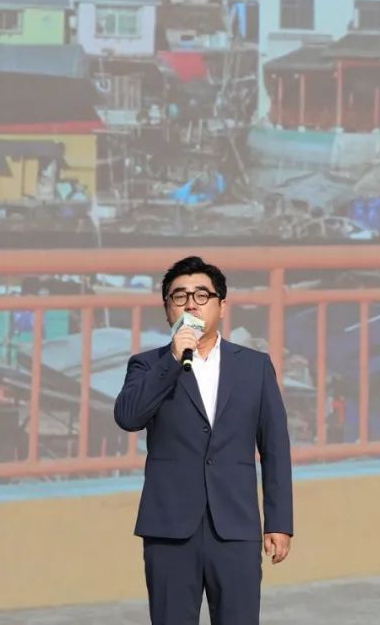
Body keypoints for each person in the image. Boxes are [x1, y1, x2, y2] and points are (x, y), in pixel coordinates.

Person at [115, 256, 293, 625]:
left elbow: (275, 448)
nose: (191, 304)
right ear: (167, 309)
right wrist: (172, 359)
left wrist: (278, 521)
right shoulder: (148, 365)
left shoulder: (255, 366)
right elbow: (128, 417)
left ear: (221, 306)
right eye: (179, 296)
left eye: (201, 295)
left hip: (235, 526)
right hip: (169, 528)